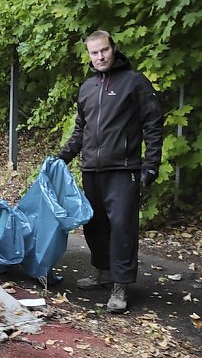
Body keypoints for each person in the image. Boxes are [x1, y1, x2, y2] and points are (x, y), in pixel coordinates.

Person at [56, 30, 163, 313]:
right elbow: (81, 129)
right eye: (94, 53)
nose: (100, 57)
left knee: (122, 229)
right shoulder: (87, 88)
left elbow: (153, 123)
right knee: (95, 224)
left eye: (104, 50)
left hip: (123, 169)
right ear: (89, 55)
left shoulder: (134, 83)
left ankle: (121, 284)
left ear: (113, 49)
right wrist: (62, 157)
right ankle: (103, 271)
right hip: (91, 168)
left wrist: (151, 165)